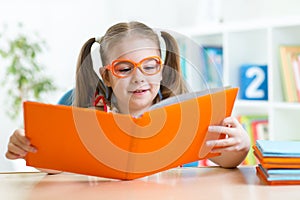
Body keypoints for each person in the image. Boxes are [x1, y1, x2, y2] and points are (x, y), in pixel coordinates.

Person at [5, 21, 250, 174]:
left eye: (150, 66)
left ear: (162, 69)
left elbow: (227, 161)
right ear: (107, 76)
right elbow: (53, 167)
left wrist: (241, 145)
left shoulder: (187, 109)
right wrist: (30, 147)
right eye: (124, 69)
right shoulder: (78, 104)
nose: (139, 77)